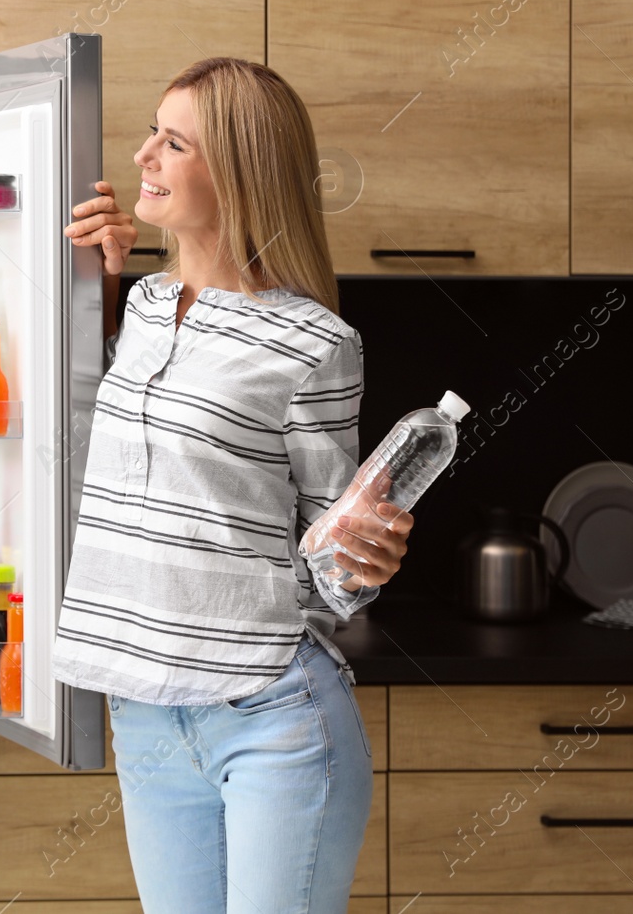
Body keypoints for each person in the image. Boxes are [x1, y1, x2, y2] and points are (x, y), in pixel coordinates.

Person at [51, 57, 412, 913]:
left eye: (174, 143)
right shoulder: (138, 305)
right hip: (142, 712)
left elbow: (334, 562)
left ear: (240, 173)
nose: (144, 155)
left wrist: (369, 554)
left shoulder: (315, 342)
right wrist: (97, 279)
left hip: (272, 718)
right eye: (154, 131)